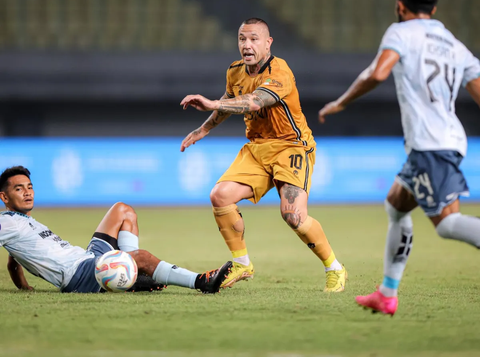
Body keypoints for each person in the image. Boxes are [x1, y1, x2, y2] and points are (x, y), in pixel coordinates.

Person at [319, 0, 480, 315]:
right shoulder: (455, 45)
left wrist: (342, 102)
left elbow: (377, 73)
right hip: (446, 140)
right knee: (396, 204)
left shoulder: (400, 32)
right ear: (433, 7)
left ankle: (388, 293)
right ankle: (387, 294)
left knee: (448, 223)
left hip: (429, 144)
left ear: (400, 5)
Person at [180, 18, 347, 292]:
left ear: (268, 43)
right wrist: (204, 128)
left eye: (254, 39)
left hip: (291, 146)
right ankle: (242, 263)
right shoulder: (235, 71)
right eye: (242, 39)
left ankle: (335, 268)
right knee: (219, 195)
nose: (247, 45)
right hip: (257, 148)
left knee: (292, 215)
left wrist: (212, 102)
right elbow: (230, 99)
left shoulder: (280, 72)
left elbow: (255, 100)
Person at [0, 165, 232, 293]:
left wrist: (24, 287)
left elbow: (14, 262)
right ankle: (201, 282)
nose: (28, 192)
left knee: (123, 210)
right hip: (78, 276)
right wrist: (24, 286)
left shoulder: (22, 221)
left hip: (88, 259)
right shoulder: (7, 222)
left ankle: (133, 277)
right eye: (19, 189)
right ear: (4, 197)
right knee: (141, 257)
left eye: (29, 187)